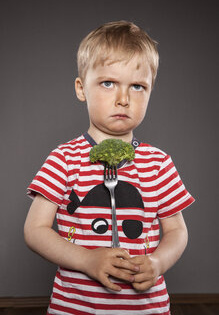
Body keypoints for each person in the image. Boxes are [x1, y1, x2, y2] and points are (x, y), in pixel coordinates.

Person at [24, 21, 195, 315]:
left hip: (147, 308)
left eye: (138, 86)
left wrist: (158, 263)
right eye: (108, 83)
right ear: (81, 89)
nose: (123, 99)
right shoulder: (63, 158)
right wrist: (87, 260)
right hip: (75, 307)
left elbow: (177, 231)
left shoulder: (159, 162)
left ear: (151, 91)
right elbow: (35, 230)